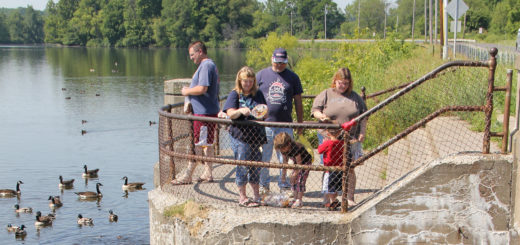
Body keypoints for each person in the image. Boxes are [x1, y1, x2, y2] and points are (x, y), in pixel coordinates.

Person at [311, 67, 367, 206]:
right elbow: (315, 110)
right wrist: (321, 116)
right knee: (329, 167)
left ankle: (349, 197)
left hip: (350, 138)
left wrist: (362, 132)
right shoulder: (326, 94)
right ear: (335, 81)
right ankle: (329, 197)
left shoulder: (355, 97)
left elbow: (364, 116)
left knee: (350, 167)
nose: (343, 86)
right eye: (341, 83)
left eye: (346, 83)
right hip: (329, 137)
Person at [171, 41, 220, 185]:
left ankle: (188, 176)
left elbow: (202, 88)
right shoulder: (210, 65)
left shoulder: (206, 66)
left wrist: (186, 91)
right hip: (207, 112)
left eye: (192, 55)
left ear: (200, 52)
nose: (191, 58)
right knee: (207, 144)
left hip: (204, 114)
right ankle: (207, 173)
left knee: (198, 144)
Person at [257, 48, 304, 193]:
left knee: (285, 157)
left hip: (285, 124)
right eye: (277, 62)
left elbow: (298, 101)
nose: (279, 65)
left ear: (286, 61)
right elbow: (251, 95)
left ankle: (283, 183)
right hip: (266, 124)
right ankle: (264, 184)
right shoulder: (261, 75)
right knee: (265, 156)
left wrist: (300, 123)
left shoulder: (293, 77)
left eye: (282, 62)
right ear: (272, 59)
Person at [223, 66, 267, 207]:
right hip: (241, 136)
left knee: (256, 165)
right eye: (245, 81)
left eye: (250, 81)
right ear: (240, 81)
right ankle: (242, 196)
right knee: (242, 164)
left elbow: (264, 110)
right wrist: (241, 111)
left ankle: (256, 195)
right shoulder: (235, 95)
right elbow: (230, 113)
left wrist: (260, 113)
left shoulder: (258, 94)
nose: (247, 84)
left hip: (256, 135)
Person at [273, 132, 312, 208]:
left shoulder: (296, 147)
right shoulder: (283, 149)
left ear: (289, 144)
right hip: (296, 163)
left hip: (305, 163)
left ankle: (299, 200)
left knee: (300, 180)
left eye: (283, 148)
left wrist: (295, 173)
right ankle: (295, 198)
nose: (282, 150)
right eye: (281, 149)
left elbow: (299, 163)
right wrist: (283, 175)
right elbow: (285, 162)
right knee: (293, 180)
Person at [317, 128, 345, 210]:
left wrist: (323, 143)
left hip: (329, 169)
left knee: (329, 187)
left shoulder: (328, 143)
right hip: (339, 168)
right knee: (336, 186)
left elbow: (319, 150)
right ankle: (334, 200)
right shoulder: (342, 143)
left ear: (328, 133)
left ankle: (333, 201)